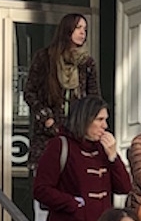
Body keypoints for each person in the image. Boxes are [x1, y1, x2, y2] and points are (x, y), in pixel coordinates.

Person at [31, 97, 132, 221]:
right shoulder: (60, 145)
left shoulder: (103, 149)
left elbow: (124, 187)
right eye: (99, 119)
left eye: (105, 120)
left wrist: (113, 158)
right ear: (85, 119)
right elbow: (41, 189)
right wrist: (74, 204)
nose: (105, 126)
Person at [23, 13, 100, 173]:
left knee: (73, 178)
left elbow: (93, 98)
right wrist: (47, 119)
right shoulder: (45, 58)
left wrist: (87, 124)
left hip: (76, 133)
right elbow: (30, 92)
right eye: (78, 28)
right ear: (67, 30)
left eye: (85, 29)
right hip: (47, 134)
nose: (82, 33)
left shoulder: (86, 63)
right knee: (46, 178)